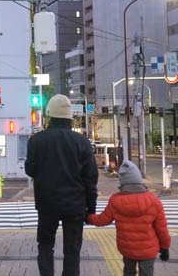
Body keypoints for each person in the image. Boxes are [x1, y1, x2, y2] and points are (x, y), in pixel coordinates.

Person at [25, 94, 99, 276]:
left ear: (49, 117)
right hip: (75, 205)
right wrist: (91, 209)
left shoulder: (36, 141)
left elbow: (30, 170)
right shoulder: (82, 142)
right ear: (69, 118)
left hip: (47, 204)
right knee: (72, 251)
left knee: (45, 246)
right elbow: (91, 178)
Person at [87, 160, 171, 276]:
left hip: (127, 248)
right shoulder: (153, 201)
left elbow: (103, 220)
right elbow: (162, 229)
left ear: (122, 182)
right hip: (148, 249)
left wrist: (88, 218)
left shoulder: (115, 201)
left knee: (128, 271)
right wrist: (165, 247)